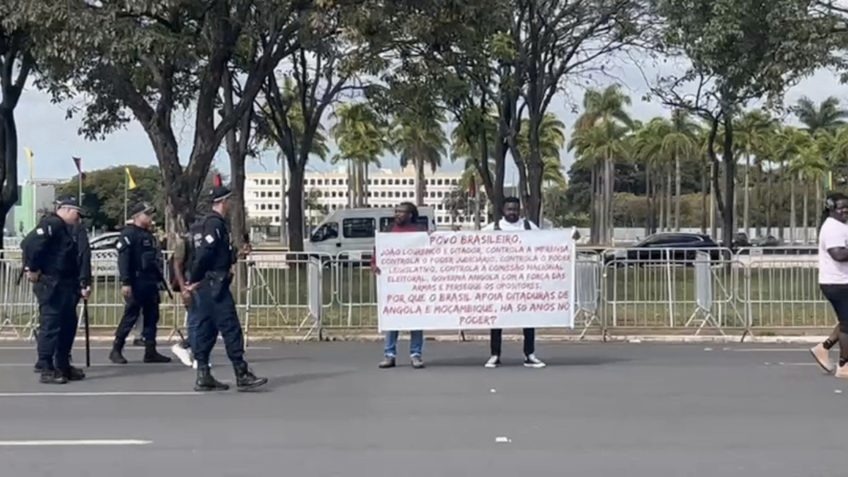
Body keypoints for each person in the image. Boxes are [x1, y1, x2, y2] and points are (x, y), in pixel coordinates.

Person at [185, 185, 267, 391]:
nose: (231, 204)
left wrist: (236, 255)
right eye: (229, 200)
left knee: (209, 330)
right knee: (230, 328)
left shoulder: (217, 224)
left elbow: (218, 255)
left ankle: (203, 374)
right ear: (222, 202)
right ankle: (242, 373)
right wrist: (194, 278)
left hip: (209, 284)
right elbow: (206, 253)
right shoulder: (215, 224)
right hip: (214, 285)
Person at [22, 198, 89, 384]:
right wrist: (32, 268)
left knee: (68, 326)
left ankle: (62, 365)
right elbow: (29, 244)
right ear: (66, 210)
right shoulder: (51, 224)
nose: (78, 218)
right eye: (77, 213)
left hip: (66, 285)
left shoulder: (66, 229)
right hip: (51, 285)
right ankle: (46, 367)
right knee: (51, 327)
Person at [481, 197, 546, 369]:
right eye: (509, 209)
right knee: (497, 320)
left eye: (515, 209)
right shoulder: (492, 229)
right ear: (503, 210)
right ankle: (495, 354)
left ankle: (529, 354)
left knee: (528, 319)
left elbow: (547, 244)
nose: (513, 212)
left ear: (520, 210)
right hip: (499, 283)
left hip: (524, 283)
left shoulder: (529, 227)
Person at [109, 202, 171, 364]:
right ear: (137, 216)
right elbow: (124, 260)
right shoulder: (129, 234)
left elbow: (153, 260)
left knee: (152, 316)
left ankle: (150, 351)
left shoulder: (148, 235)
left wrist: (159, 281)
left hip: (149, 281)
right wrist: (126, 282)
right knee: (131, 315)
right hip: (136, 282)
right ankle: (116, 349)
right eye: (147, 214)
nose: (150, 218)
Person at [371, 202, 426, 369]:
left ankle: (415, 354)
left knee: (416, 319)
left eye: (401, 212)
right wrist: (374, 263)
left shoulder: (419, 231)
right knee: (392, 319)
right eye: (396, 212)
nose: (397, 215)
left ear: (410, 215)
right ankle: (389, 354)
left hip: (415, 281)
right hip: (393, 282)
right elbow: (378, 250)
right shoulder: (388, 231)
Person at [810, 192, 848, 376]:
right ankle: (844, 365)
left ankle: (823, 348)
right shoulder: (832, 228)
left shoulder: (841, 226)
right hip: (836, 283)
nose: (845, 210)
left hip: (842, 281)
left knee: (845, 321)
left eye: (847, 207)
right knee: (847, 324)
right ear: (831, 209)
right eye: (841, 207)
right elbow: (838, 255)